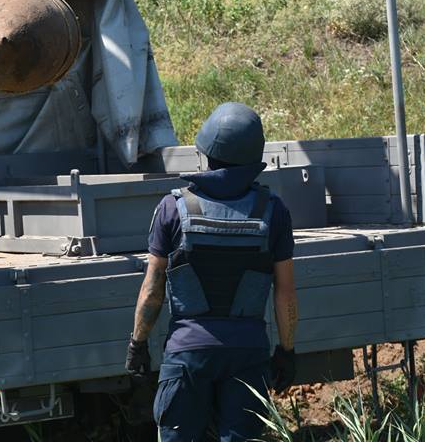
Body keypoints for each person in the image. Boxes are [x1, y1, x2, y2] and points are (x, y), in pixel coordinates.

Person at [125, 102, 299, 442]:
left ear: (205, 153)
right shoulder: (273, 211)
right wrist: (287, 351)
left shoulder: (173, 208)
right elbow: (285, 292)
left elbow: (152, 289)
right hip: (248, 354)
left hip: (188, 355)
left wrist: (138, 343)